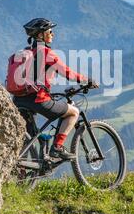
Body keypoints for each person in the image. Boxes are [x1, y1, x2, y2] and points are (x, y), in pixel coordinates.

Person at [12, 18, 98, 160]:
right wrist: (87, 80)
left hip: (19, 100)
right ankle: (57, 148)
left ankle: (22, 171)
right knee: (73, 113)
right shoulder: (46, 53)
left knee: (29, 136)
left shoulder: (24, 53)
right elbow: (68, 73)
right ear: (40, 35)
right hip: (38, 100)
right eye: (50, 31)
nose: (53, 34)